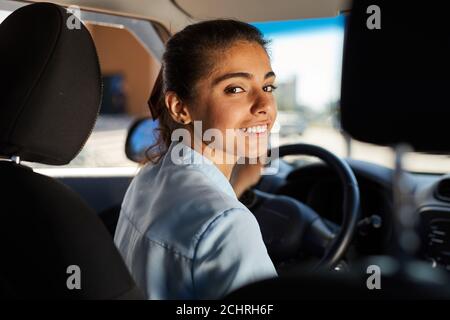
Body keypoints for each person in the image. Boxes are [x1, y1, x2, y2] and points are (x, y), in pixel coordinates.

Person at [114, 19, 278, 299]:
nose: (265, 105)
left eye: (268, 87)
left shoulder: (150, 177)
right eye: (235, 89)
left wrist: (235, 190)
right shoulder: (230, 225)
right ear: (180, 108)